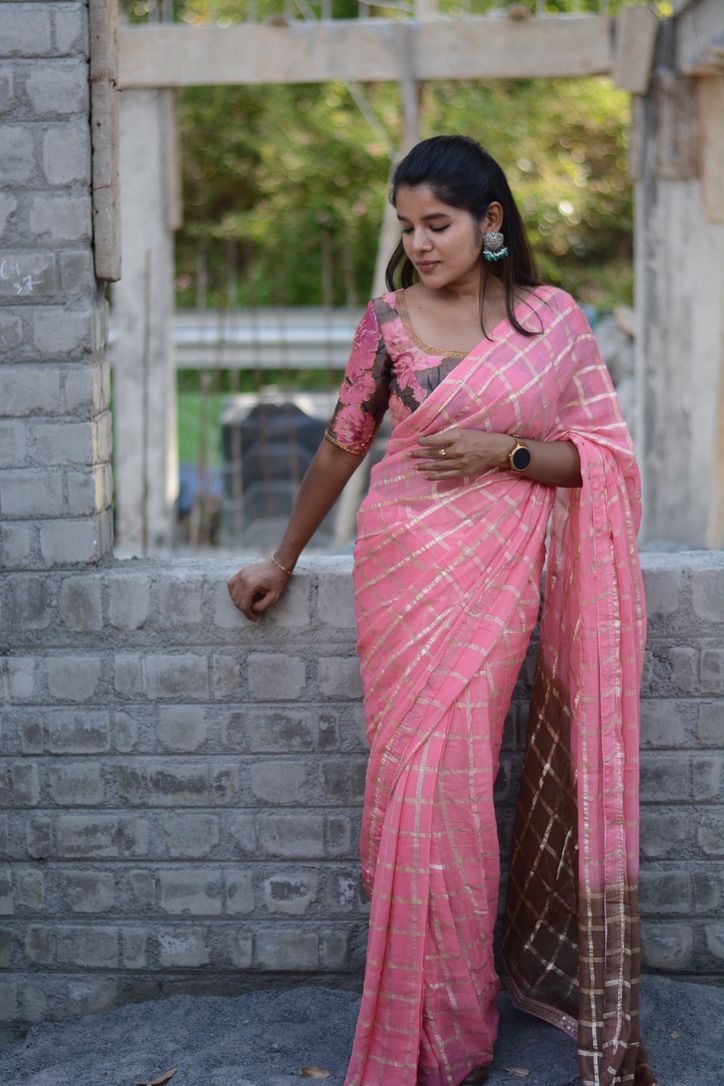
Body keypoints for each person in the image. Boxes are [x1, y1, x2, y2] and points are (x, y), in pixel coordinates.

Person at [227, 135, 657, 1086]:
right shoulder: (387, 321)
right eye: (408, 227)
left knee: (453, 787)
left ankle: (455, 1030)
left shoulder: (553, 323)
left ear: (490, 222)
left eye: (439, 224)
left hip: (497, 576)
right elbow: (345, 443)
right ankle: (420, 1020)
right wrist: (283, 555)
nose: (420, 243)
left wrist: (503, 452)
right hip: (401, 564)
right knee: (409, 783)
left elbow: (604, 458)